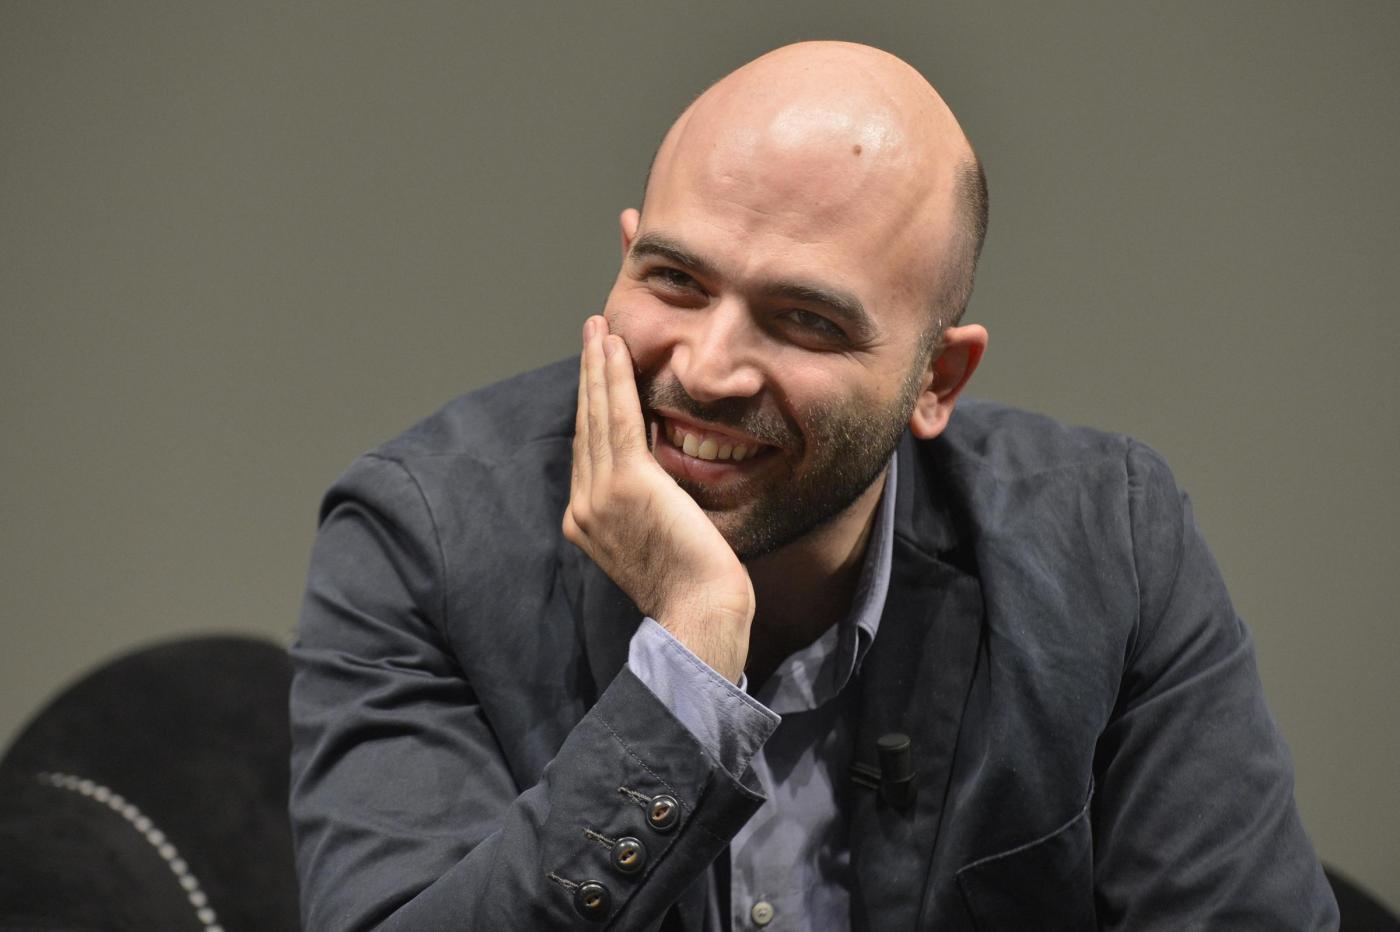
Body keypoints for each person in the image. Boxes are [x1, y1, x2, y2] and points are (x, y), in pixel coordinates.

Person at [289, 41, 1338, 930]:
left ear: (936, 380)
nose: (707, 368)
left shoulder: (1110, 544)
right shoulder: (420, 540)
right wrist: (689, 664)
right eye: (675, 280)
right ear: (626, 255)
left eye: (805, 320)